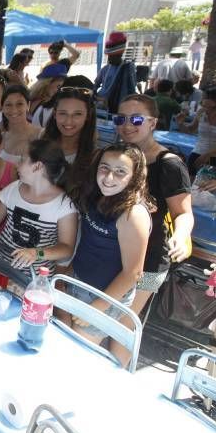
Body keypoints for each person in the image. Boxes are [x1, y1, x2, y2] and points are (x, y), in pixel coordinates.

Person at [70, 144, 153, 367]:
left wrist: (95, 308)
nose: (108, 177)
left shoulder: (133, 214)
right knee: (68, 344)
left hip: (105, 297)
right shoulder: (96, 196)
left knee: (78, 356)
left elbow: (133, 273)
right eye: (104, 168)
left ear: (134, 177)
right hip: (79, 281)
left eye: (120, 172)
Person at [114, 94, 193, 315]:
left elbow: (184, 213)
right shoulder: (118, 156)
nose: (128, 125)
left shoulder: (169, 164)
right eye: (121, 119)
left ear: (153, 123)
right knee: (102, 322)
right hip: (117, 253)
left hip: (151, 260)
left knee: (124, 325)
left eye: (137, 119)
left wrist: (181, 234)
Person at [0, 140, 78, 276]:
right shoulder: (14, 188)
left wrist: (36, 253)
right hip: (1, 265)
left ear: (37, 166)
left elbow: (66, 248)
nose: (17, 165)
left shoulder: (64, 206)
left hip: (34, 277)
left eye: (22, 160)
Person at [41, 86, 97, 199]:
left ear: (88, 116)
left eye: (77, 114)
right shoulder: (40, 144)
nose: (68, 121)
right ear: (55, 114)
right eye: (63, 113)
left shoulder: (95, 156)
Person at [178, 86, 216, 171]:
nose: (207, 110)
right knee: (191, 180)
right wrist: (180, 123)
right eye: (204, 106)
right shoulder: (202, 112)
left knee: (211, 181)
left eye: (212, 108)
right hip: (198, 153)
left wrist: (207, 156)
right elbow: (190, 129)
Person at [94, 32, 136, 115]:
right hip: (102, 108)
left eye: (112, 56)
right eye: (109, 56)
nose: (109, 59)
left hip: (120, 108)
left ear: (119, 55)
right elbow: (95, 86)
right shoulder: (105, 69)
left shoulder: (128, 68)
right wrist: (98, 98)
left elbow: (132, 90)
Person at [0, 85, 43, 164]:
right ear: (2, 108)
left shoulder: (41, 135)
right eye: (8, 105)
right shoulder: (0, 137)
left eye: (19, 104)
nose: (14, 110)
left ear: (28, 105)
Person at [29, 64, 68, 128]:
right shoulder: (47, 106)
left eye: (63, 87)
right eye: (58, 86)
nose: (61, 90)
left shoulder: (30, 100)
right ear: (46, 84)